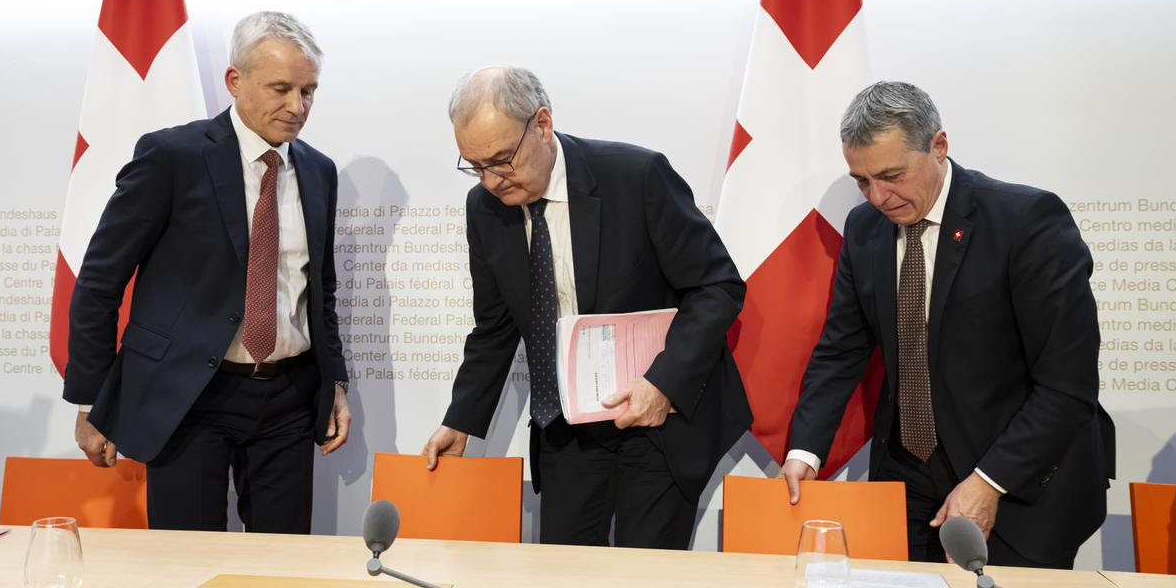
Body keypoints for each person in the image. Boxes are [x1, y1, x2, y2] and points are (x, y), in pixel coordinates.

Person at [781, 81, 1114, 568]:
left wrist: (989, 481)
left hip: (1020, 481)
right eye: (862, 180)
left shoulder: (1026, 222)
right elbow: (841, 349)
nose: (878, 196)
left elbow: (1067, 386)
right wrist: (805, 450)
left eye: (892, 175)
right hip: (909, 476)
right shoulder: (864, 229)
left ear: (938, 146)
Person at [421, 66, 751, 549]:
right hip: (566, 429)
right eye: (474, 165)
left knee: (646, 579)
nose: (490, 180)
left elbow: (718, 287)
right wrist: (460, 420)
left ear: (542, 123)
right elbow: (494, 327)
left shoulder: (635, 176)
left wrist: (662, 384)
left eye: (500, 160)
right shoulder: (485, 209)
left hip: (657, 422)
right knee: (562, 572)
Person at [64, 11, 351, 533]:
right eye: (281, 88)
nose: (297, 107)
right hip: (188, 396)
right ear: (235, 81)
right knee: (186, 562)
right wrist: (93, 398)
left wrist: (335, 383)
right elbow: (100, 281)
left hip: (288, 397)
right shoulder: (172, 156)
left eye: (309, 91)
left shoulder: (319, 170)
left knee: (280, 566)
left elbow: (320, 289)